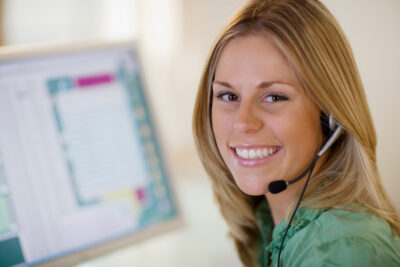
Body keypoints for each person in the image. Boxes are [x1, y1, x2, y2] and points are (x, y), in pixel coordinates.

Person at [192, 0, 400, 266]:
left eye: (274, 97)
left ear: (330, 116)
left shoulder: (339, 251)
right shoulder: (271, 217)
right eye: (229, 95)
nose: (243, 122)